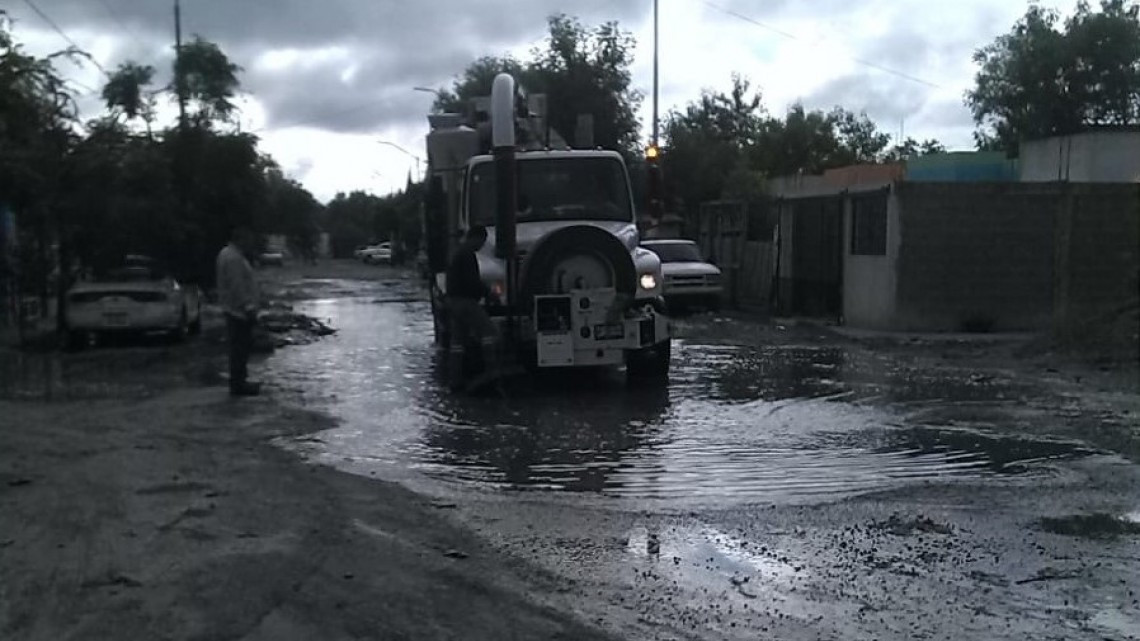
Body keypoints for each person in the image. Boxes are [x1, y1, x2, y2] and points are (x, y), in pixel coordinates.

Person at [445, 225, 497, 388]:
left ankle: (456, 379)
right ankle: (492, 371)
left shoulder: (457, 252)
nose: (481, 246)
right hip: (466, 302)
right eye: (482, 242)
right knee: (489, 332)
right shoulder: (468, 255)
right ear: (476, 238)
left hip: (453, 302)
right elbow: (471, 282)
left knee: (458, 342)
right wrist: (489, 293)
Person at [216, 225, 261, 397]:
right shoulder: (233, 258)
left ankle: (239, 382)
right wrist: (248, 306)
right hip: (238, 311)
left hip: (233, 308)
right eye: (248, 239)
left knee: (238, 348)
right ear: (241, 239)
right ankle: (238, 385)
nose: (250, 243)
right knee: (240, 349)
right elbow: (237, 286)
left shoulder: (227, 254)